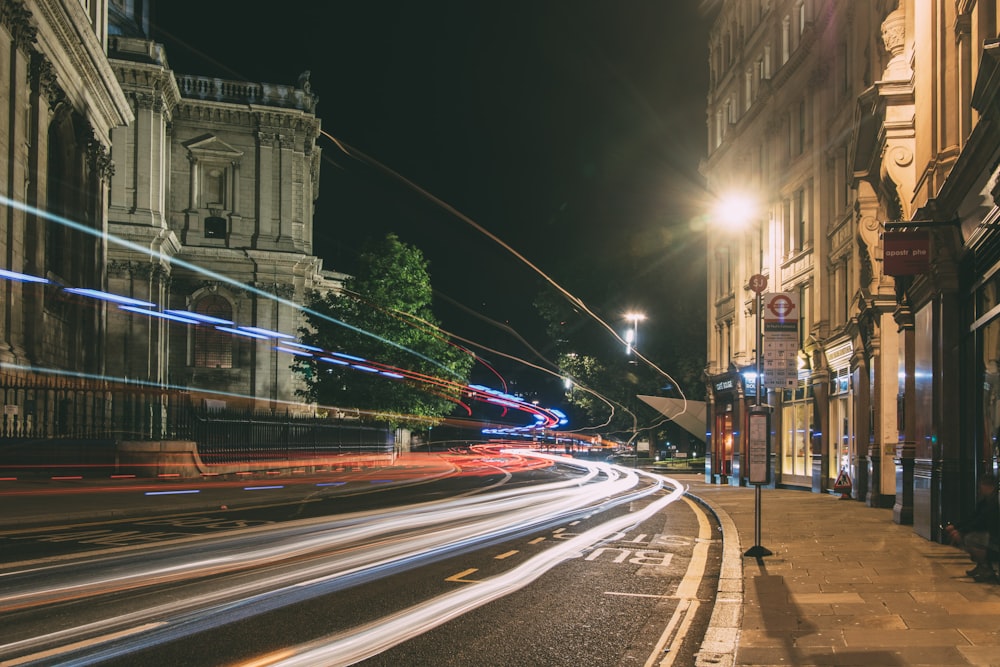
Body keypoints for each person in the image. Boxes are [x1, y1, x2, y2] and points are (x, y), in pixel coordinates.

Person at [945, 473, 999, 582]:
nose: (979, 489)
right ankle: (982, 566)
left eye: (981, 486)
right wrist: (956, 527)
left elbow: (982, 522)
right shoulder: (987, 500)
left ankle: (986, 568)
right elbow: (974, 517)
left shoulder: (994, 503)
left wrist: (960, 531)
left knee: (970, 539)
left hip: (996, 540)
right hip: (992, 537)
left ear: (988, 486)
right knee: (967, 537)